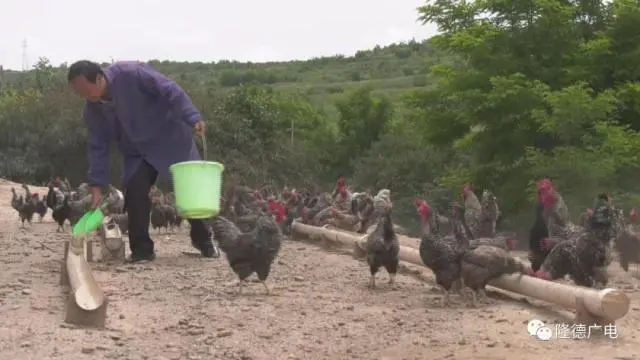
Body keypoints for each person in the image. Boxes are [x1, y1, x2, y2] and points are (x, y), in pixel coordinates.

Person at [67, 60, 219, 263]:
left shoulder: (131, 74)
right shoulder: (93, 111)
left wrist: (192, 116)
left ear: (99, 78)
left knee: (189, 193)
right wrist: (97, 184)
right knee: (135, 192)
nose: (85, 98)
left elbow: (170, 89)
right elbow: (97, 147)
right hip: (137, 150)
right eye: (79, 94)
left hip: (169, 138)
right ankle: (142, 250)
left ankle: (204, 240)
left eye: (86, 91)